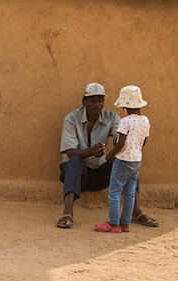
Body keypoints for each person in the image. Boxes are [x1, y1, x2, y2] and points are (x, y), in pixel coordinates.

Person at [56, 82, 157, 229]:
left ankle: (135, 211)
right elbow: (69, 151)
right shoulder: (71, 119)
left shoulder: (112, 117)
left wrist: (133, 132)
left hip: (101, 172)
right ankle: (67, 213)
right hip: (79, 175)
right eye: (92, 100)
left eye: (100, 100)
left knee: (128, 162)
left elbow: (120, 139)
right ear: (84, 101)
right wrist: (90, 152)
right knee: (74, 160)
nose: (97, 104)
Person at [96, 85, 150, 233]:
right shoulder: (145, 121)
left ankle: (113, 224)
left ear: (125, 106)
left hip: (122, 161)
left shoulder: (125, 121)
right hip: (136, 161)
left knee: (114, 192)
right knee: (130, 193)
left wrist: (111, 154)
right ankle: (125, 224)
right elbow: (143, 141)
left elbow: (120, 143)